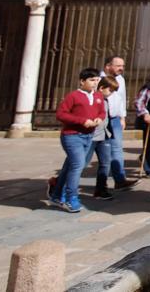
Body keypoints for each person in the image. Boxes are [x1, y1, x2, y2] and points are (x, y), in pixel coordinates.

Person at [49, 68, 105, 213]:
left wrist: (99, 118)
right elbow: (61, 114)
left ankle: (56, 195)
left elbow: (101, 111)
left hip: (88, 135)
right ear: (82, 81)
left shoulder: (98, 96)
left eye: (97, 80)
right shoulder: (73, 96)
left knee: (69, 166)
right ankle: (70, 197)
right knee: (78, 165)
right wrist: (81, 121)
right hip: (72, 135)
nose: (95, 83)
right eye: (92, 80)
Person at [100, 56, 138, 192]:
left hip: (115, 119)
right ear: (107, 66)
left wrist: (123, 117)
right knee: (86, 154)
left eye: (122, 65)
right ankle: (60, 182)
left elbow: (122, 99)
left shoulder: (120, 79)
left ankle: (120, 180)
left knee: (117, 149)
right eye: (117, 66)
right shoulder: (98, 79)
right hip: (101, 119)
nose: (121, 68)